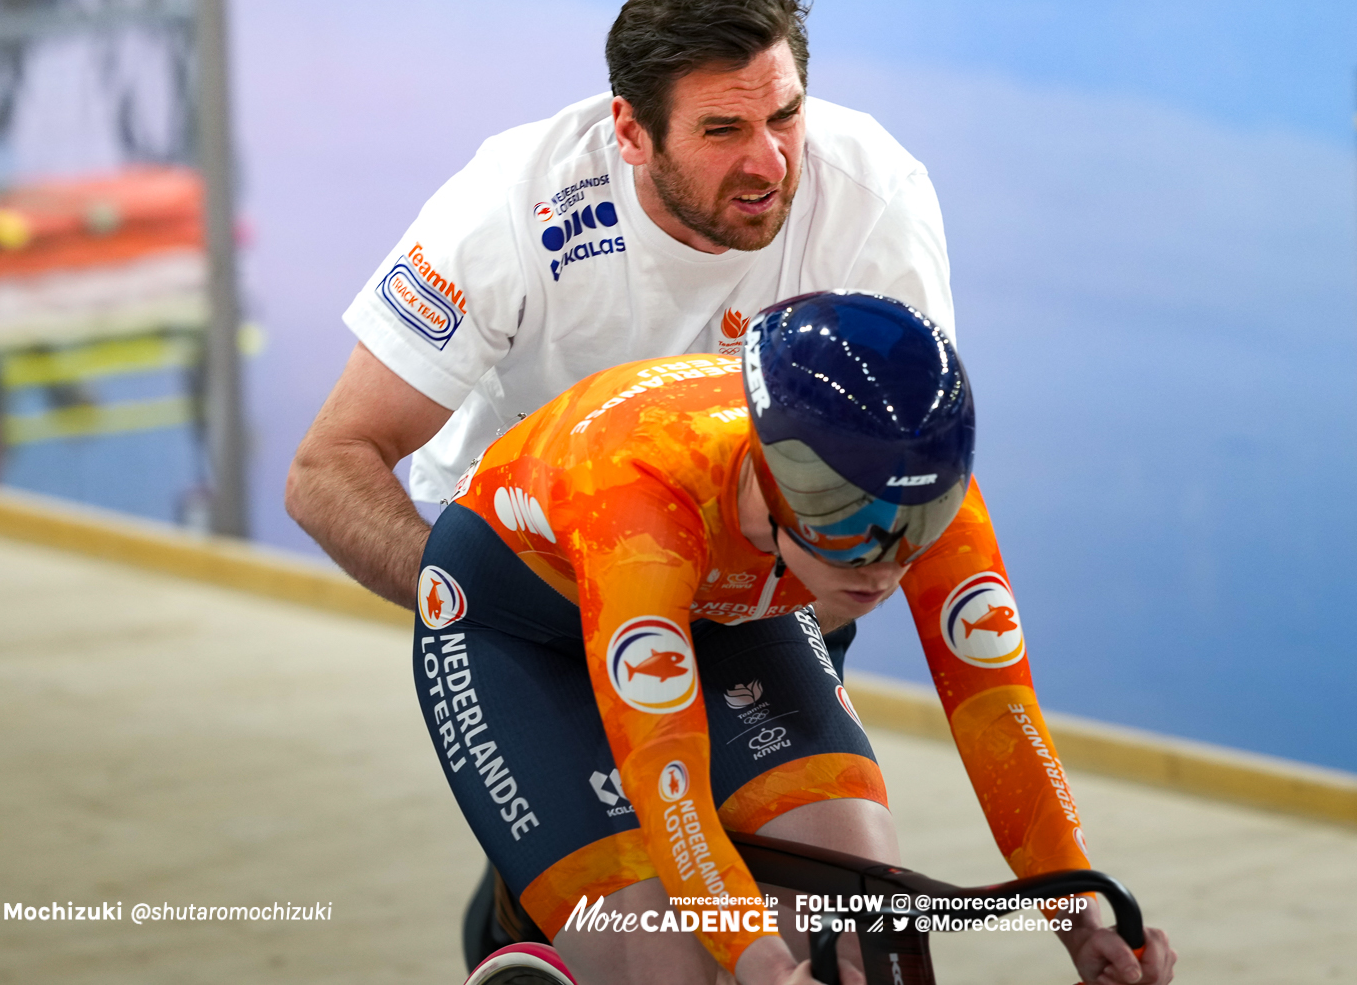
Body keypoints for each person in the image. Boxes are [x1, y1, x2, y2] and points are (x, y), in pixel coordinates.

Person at [412, 292, 1173, 985]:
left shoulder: (913, 489)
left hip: (724, 608)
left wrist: (1082, 919)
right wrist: (766, 965)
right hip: (518, 629)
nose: (882, 566)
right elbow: (666, 774)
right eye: (839, 518)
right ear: (771, 473)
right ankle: (525, 915)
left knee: (864, 937)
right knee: (670, 969)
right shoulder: (641, 499)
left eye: (917, 531)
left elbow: (998, 716)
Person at [286, 0, 952, 611]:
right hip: (537, 569)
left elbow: (915, 458)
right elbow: (328, 464)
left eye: (785, 116)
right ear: (631, 132)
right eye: (723, 130)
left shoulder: (878, 199)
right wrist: (472, 605)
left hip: (763, 573)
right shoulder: (511, 205)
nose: (768, 162)